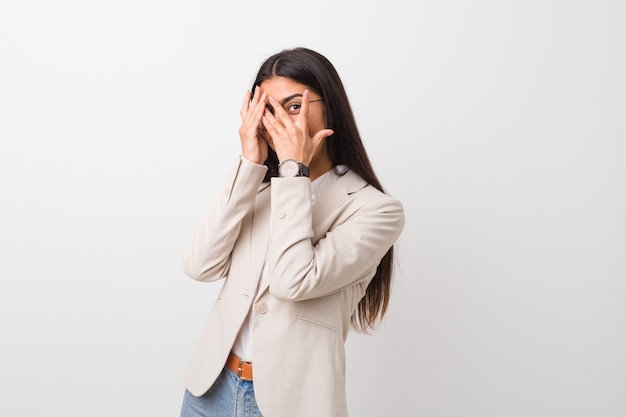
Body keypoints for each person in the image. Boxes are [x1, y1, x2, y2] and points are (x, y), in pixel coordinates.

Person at [179, 47, 405, 417]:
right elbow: (199, 264)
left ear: (329, 106)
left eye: (294, 107)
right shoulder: (258, 188)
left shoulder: (375, 210)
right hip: (210, 391)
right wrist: (249, 164)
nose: (281, 122)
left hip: (292, 404)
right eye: (269, 111)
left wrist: (293, 170)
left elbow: (291, 281)